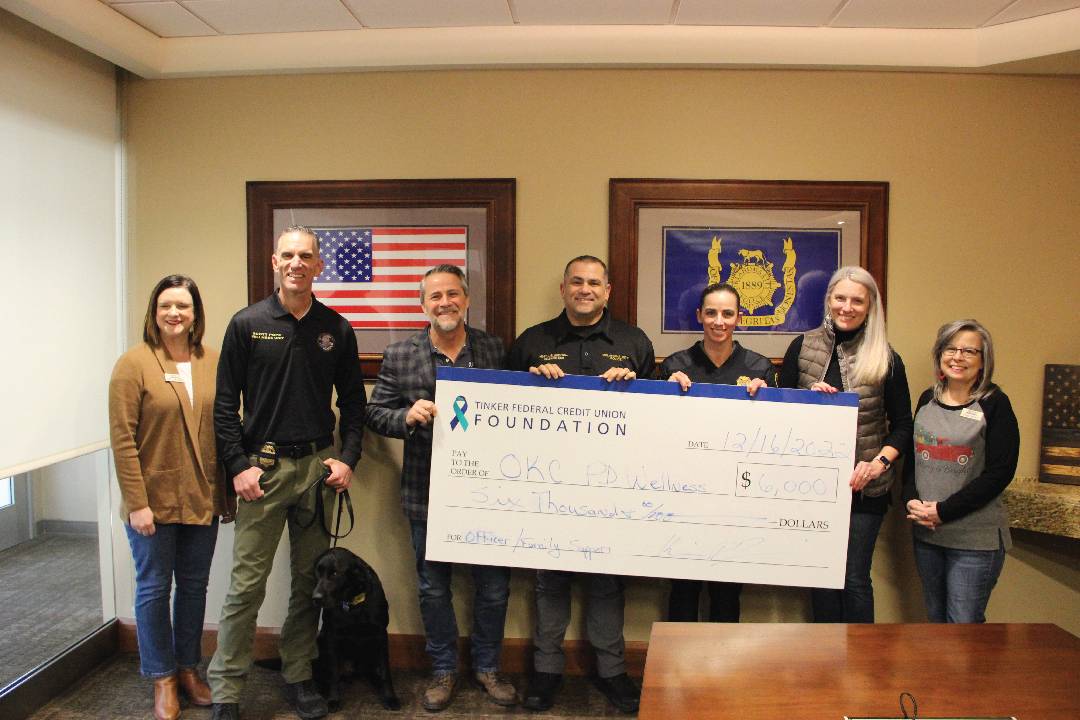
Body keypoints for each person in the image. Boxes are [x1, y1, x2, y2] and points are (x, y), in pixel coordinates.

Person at [207, 226, 367, 720]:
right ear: (274, 262)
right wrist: (238, 466)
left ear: (320, 266)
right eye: (288, 255)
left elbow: (355, 406)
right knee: (245, 588)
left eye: (307, 256)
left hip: (315, 472)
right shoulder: (247, 323)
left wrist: (348, 459)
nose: (297, 263)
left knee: (309, 583)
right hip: (263, 471)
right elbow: (224, 406)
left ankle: (299, 673)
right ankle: (227, 691)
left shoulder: (336, 328)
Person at [365, 264, 517, 712]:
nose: (445, 302)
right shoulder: (400, 354)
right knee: (433, 588)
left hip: (489, 492)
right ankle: (443, 670)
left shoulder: (493, 348)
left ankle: (488, 667)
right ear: (423, 305)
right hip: (425, 491)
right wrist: (405, 417)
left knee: (493, 587)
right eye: (435, 296)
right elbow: (375, 414)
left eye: (453, 294)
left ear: (466, 300)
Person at [508, 255, 654, 714]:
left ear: (607, 290)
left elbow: (662, 419)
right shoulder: (533, 341)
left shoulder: (634, 341)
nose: (585, 289)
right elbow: (505, 412)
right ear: (563, 288)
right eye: (577, 281)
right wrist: (532, 384)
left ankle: (612, 672)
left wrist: (635, 386)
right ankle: (546, 671)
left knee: (608, 583)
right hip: (547, 487)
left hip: (614, 489)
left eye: (594, 283)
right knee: (549, 582)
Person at [109, 275, 225, 720]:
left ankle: (188, 668)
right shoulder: (133, 364)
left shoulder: (212, 361)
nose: (174, 314)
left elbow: (224, 427)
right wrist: (136, 502)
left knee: (194, 588)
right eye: (165, 306)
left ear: (196, 314)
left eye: (183, 306)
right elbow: (122, 440)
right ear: (153, 313)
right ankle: (162, 677)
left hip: (202, 498)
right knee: (155, 589)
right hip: (152, 501)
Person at [779, 266, 912, 623]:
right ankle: (825, 665)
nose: (847, 307)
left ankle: (861, 669)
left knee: (853, 579)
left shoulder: (886, 357)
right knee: (821, 577)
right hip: (812, 487)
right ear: (828, 300)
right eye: (840, 298)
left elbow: (902, 426)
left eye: (857, 300)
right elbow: (779, 412)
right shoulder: (802, 346)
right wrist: (807, 398)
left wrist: (878, 465)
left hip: (865, 488)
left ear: (870, 307)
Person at [660, 282, 776, 623]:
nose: (719, 321)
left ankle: (722, 676)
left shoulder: (759, 367)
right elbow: (657, 432)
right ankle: (677, 675)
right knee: (683, 589)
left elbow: (774, 435)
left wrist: (770, 400)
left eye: (727, 313)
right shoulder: (675, 366)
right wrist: (663, 396)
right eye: (711, 313)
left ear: (739, 318)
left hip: (735, 499)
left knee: (727, 592)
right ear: (699, 316)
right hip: (684, 496)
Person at [903, 319, 1019, 623]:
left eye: (969, 351)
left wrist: (944, 511)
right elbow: (913, 462)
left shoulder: (995, 404)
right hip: (927, 534)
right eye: (951, 348)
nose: (958, 357)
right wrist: (912, 501)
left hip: (974, 540)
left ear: (983, 361)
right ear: (940, 354)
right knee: (937, 624)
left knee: (963, 630)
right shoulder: (927, 399)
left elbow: (999, 473)